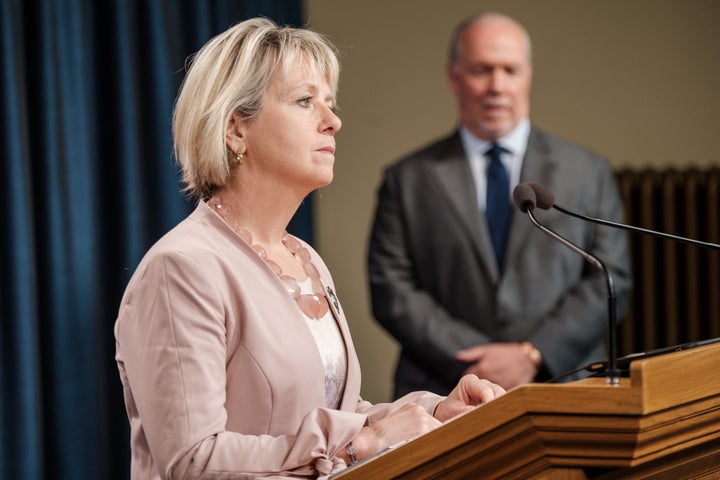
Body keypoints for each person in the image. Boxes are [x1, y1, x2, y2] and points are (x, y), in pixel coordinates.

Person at [114, 17, 505, 480]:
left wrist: (435, 412)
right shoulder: (181, 268)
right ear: (235, 129)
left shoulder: (305, 259)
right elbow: (193, 461)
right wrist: (360, 441)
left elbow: (334, 407)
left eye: (330, 104)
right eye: (305, 102)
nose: (333, 121)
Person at [367, 12, 632, 398]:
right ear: (454, 77)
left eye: (510, 70)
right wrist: (481, 364)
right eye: (481, 70)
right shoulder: (407, 179)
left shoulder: (587, 171)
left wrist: (532, 353)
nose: (497, 86)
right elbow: (391, 288)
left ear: (529, 75)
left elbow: (611, 277)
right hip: (440, 393)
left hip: (563, 384)